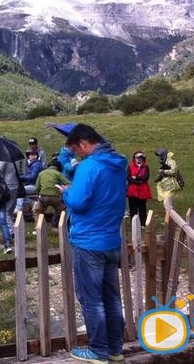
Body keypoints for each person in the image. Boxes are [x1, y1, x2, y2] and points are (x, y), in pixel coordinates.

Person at [60, 123, 127, 364]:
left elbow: (77, 202)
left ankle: (98, 351)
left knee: (91, 299)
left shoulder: (89, 166)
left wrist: (66, 193)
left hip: (89, 240)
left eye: (77, 150)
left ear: (84, 143)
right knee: (111, 297)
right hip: (111, 240)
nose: (78, 154)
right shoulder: (118, 163)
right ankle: (115, 349)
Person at [33, 158, 70, 227]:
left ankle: (38, 228)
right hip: (55, 197)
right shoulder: (58, 173)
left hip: (43, 196)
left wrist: (38, 194)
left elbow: (37, 187)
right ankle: (63, 227)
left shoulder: (41, 173)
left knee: (37, 211)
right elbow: (68, 183)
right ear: (58, 167)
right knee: (62, 212)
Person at [126, 151, 152, 228]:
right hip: (132, 191)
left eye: (140, 158)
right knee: (133, 209)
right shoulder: (130, 166)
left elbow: (146, 177)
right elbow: (129, 178)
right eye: (137, 158)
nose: (138, 159)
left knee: (142, 208)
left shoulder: (145, 167)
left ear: (143, 158)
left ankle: (142, 224)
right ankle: (133, 224)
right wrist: (139, 181)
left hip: (143, 191)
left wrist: (136, 178)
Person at [16, 150, 43, 214]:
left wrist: (20, 177)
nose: (28, 156)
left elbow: (32, 177)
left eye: (30, 155)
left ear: (35, 156)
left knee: (19, 190)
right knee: (20, 192)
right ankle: (33, 203)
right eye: (28, 155)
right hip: (31, 185)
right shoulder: (32, 164)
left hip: (34, 186)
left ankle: (19, 209)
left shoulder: (36, 164)